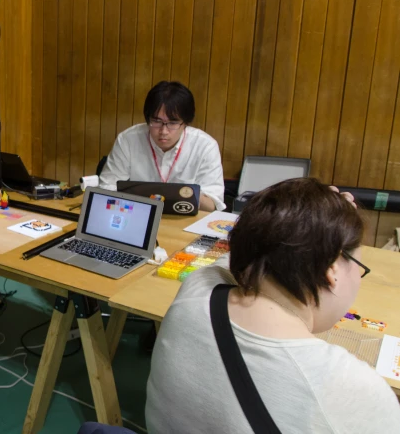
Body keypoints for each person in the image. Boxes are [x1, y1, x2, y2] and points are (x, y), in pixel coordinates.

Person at [145, 179, 400, 433]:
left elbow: (249, 249)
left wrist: (304, 217)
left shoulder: (199, 287)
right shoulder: (352, 390)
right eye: (359, 268)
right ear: (330, 271)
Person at [98, 81, 225, 211]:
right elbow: (106, 188)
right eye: (156, 121)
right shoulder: (128, 140)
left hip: (184, 221)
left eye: (173, 122)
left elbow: (213, 204)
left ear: (186, 122)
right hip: (137, 213)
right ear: (147, 118)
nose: (164, 131)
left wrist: (181, 194)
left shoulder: (205, 146)